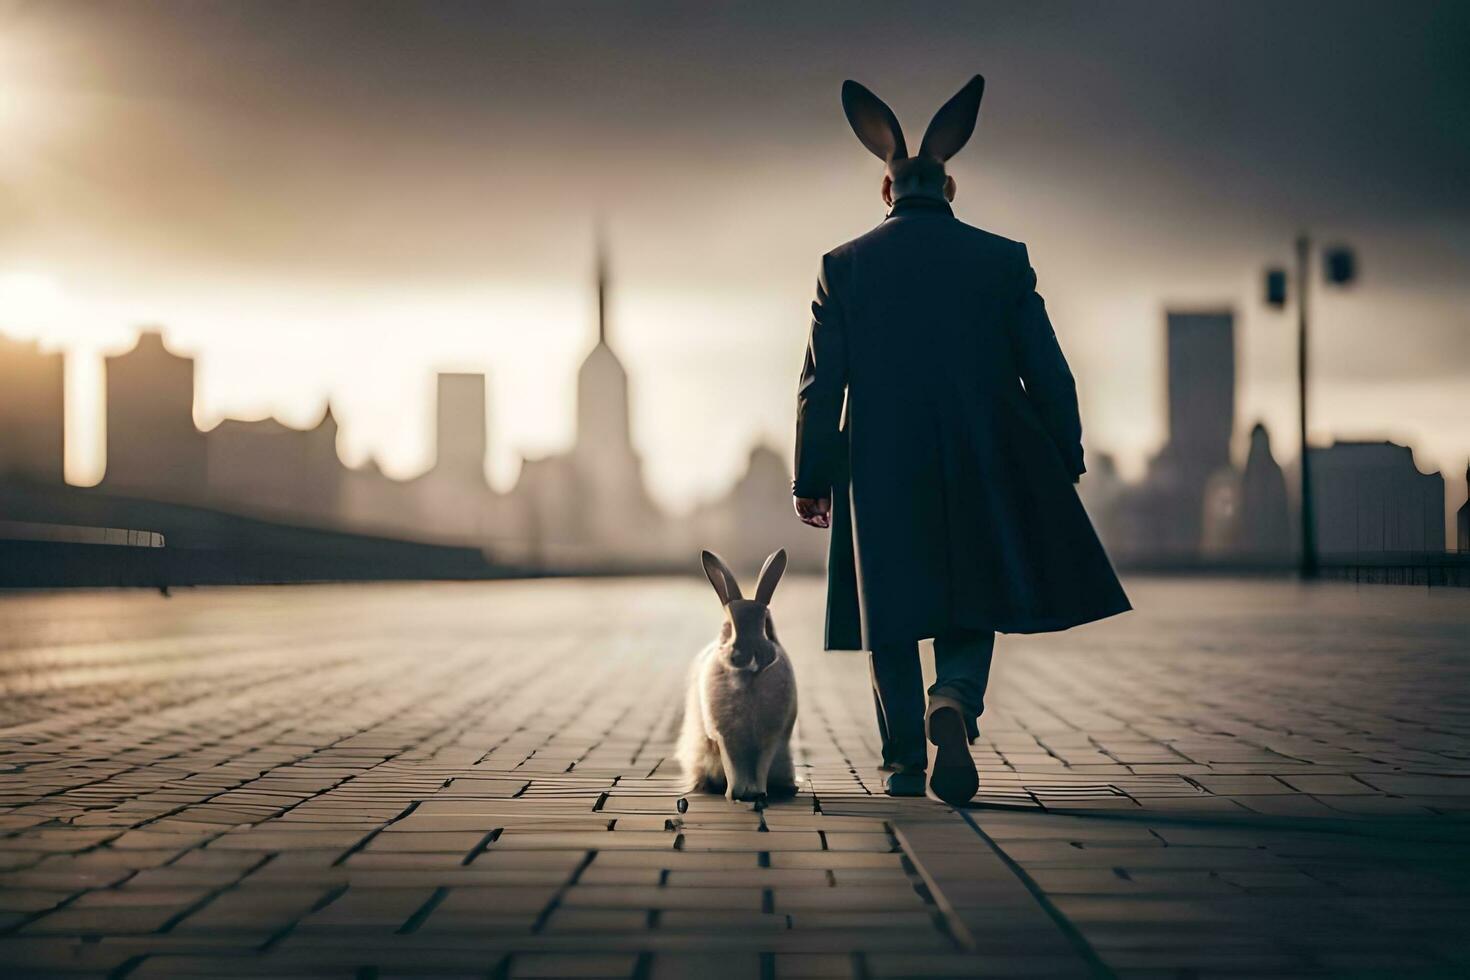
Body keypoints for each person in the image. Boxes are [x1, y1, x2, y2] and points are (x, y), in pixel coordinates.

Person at [792, 76, 1131, 804]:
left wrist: (811, 476)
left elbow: (821, 384)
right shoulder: (1002, 260)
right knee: (971, 593)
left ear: (886, 190)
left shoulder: (842, 267)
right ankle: (955, 697)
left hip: (880, 457)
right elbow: (1048, 369)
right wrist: (1061, 453)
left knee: (890, 609)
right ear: (951, 186)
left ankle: (904, 761)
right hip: (985, 452)